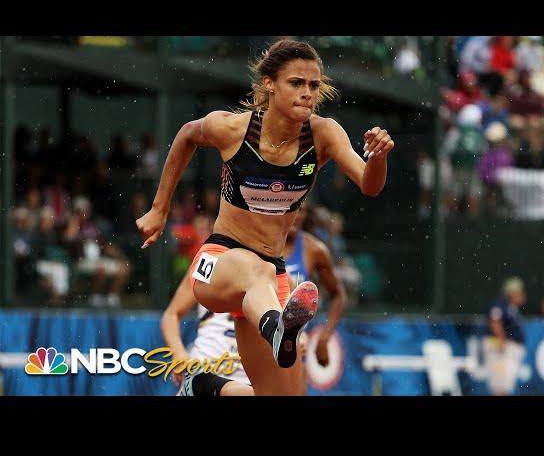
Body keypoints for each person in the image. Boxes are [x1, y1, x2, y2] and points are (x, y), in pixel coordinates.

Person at [137, 38, 394, 395]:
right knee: (256, 269)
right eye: (296, 83)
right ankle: (277, 328)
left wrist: (378, 157)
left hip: (271, 278)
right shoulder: (232, 130)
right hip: (219, 262)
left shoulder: (323, 135)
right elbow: (185, 136)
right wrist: (159, 209)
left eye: (313, 85)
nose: (307, 93)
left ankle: (204, 387)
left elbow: (370, 185)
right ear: (269, 84)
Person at [162, 204, 347, 396]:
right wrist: (179, 354)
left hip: (252, 369)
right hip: (212, 359)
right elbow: (172, 314)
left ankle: (202, 385)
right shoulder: (213, 258)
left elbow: (296, 314)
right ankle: (201, 383)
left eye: (300, 209)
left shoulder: (283, 269)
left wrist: (304, 337)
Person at [484, 277, 527, 396]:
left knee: (505, 386)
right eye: (519, 292)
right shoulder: (500, 304)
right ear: (512, 292)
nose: (522, 295)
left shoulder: (511, 308)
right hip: (500, 348)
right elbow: (495, 321)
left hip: (508, 348)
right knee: (500, 385)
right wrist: (502, 340)